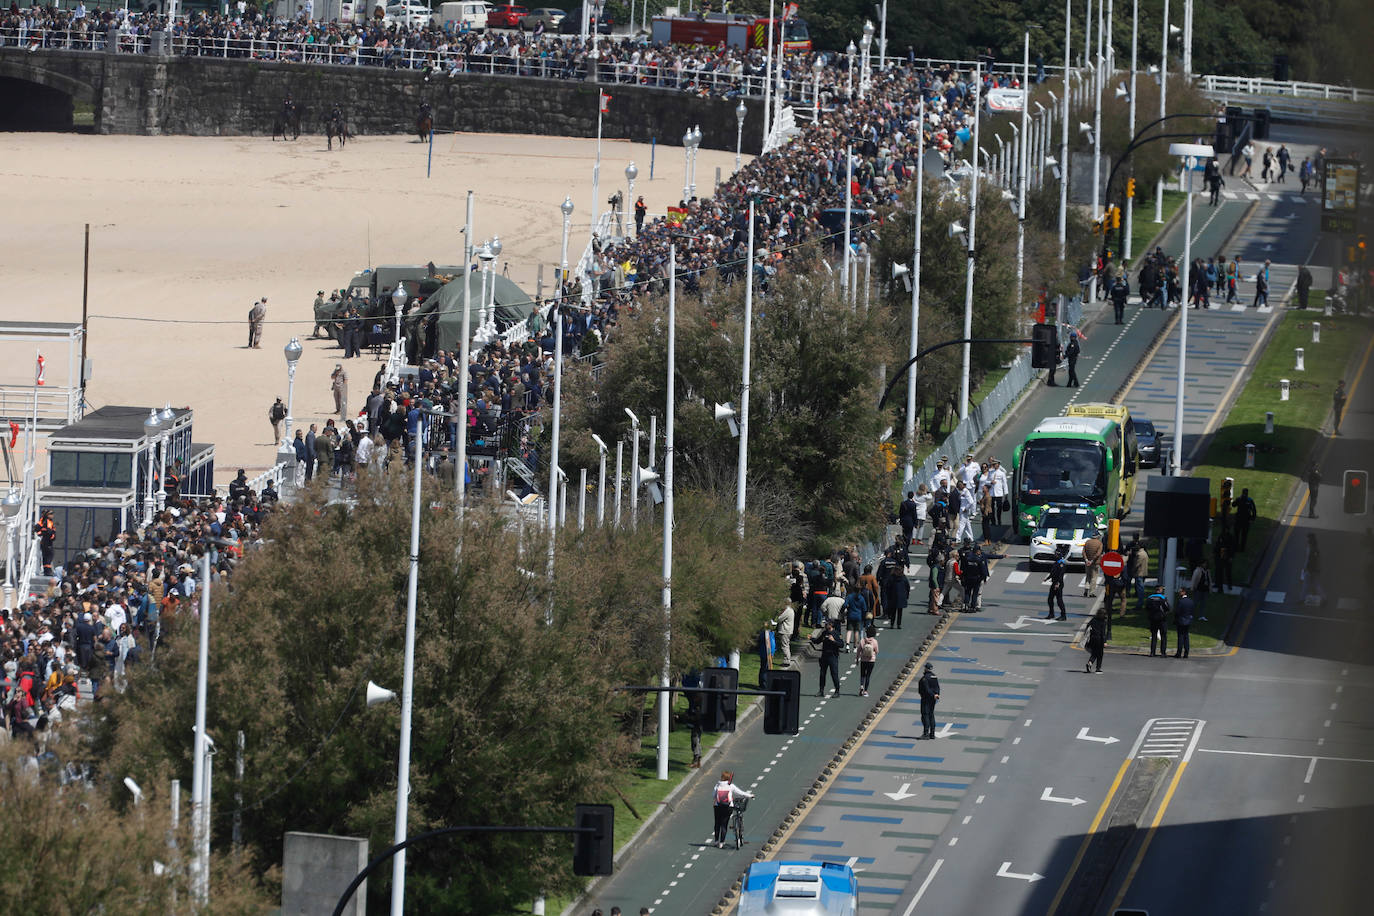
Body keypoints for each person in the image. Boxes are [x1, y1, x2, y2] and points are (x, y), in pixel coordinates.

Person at [711, 771, 753, 848]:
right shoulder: (731, 786)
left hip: (717, 806)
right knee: (724, 824)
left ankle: (716, 841)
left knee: (717, 823)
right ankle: (721, 843)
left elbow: (713, 795)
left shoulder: (717, 785)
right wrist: (750, 795)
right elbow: (741, 793)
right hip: (728, 807)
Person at [810, 619, 844, 697]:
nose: (825, 625)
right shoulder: (824, 633)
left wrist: (833, 641)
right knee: (822, 674)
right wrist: (812, 638)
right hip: (824, 656)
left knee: (834, 674)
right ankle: (821, 691)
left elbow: (841, 645)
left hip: (833, 656)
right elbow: (818, 641)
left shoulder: (836, 634)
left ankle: (837, 691)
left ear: (831, 625)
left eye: (827, 624)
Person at [1043, 544, 1068, 620]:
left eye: (1056, 554)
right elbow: (1053, 572)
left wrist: (1057, 583)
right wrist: (1048, 578)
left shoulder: (1061, 564)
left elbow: (1060, 575)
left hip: (1058, 584)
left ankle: (1063, 615)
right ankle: (1051, 614)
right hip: (1054, 583)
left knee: (1059, 600)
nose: (1055, 555)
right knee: (1050, 599)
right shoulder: (1056, 562)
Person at [917, 662, 941, 739]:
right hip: (933, 699)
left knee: (925, 715)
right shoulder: (934, 677)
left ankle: (926, 733)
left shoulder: (924, 678)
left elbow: (926, 689)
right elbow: (937, 687)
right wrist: (936, 694)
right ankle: (932, 733)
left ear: (926, 668)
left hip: (926, 699)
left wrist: (932, 695)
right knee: (931, 714)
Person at [1145, 588, 1170, 657]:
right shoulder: (1163, 598)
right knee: (1163, 636)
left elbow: (1146, 607)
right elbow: (1167, 607)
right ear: (1160, 591)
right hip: (1162, 619)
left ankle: (1152, 652)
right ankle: (1163, 652)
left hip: (1153, 619)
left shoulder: (1150, 598)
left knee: (1154, 636)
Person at [1301, 532, 1324, 606]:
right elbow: (1318, 559)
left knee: (1306, 585)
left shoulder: (1310, 549)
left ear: (1309, 540)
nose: (1306, 539)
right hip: (1314, 570)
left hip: (1310, 569)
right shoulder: (1315, 548)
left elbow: (1307, 560)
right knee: (1316, 585)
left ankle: (1302, 599)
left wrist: (1304, 568)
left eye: (1307, 538)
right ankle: (1324, 598)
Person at [857, 625, 879, 697]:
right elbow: (877, 651)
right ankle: (866, 691)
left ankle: (861, 686)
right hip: (871, 660)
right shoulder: (875, 641)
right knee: (868, 675)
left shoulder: (862, 640)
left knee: (862, 674)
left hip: (863, 660)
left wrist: (857, 659)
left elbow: (858, 650)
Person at [1173, 587, 1195, 658]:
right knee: (1186, 636)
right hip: (1188, 620)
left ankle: (1179, 653)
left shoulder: (1181, 601)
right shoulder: (1191, 601)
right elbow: (1192, 611)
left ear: (1184, 592)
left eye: (1180, 591)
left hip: (1181, 621)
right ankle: (1186, 653)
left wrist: (1176, 619)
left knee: (1180, 637)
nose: (1179, 592)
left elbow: (1177, 612)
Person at [1082, 532, 1104, 598]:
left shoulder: (1087, 542)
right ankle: (1091, 592)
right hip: (1095, 563)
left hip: (1087, 562)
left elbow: (1083, 552)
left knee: (1088, 576)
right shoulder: (1099, 543)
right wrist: (1092, 561)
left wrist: (1086, 560)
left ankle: (1086, 590)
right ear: (1097, 537)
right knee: (1094, 577)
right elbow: (1098, 554)